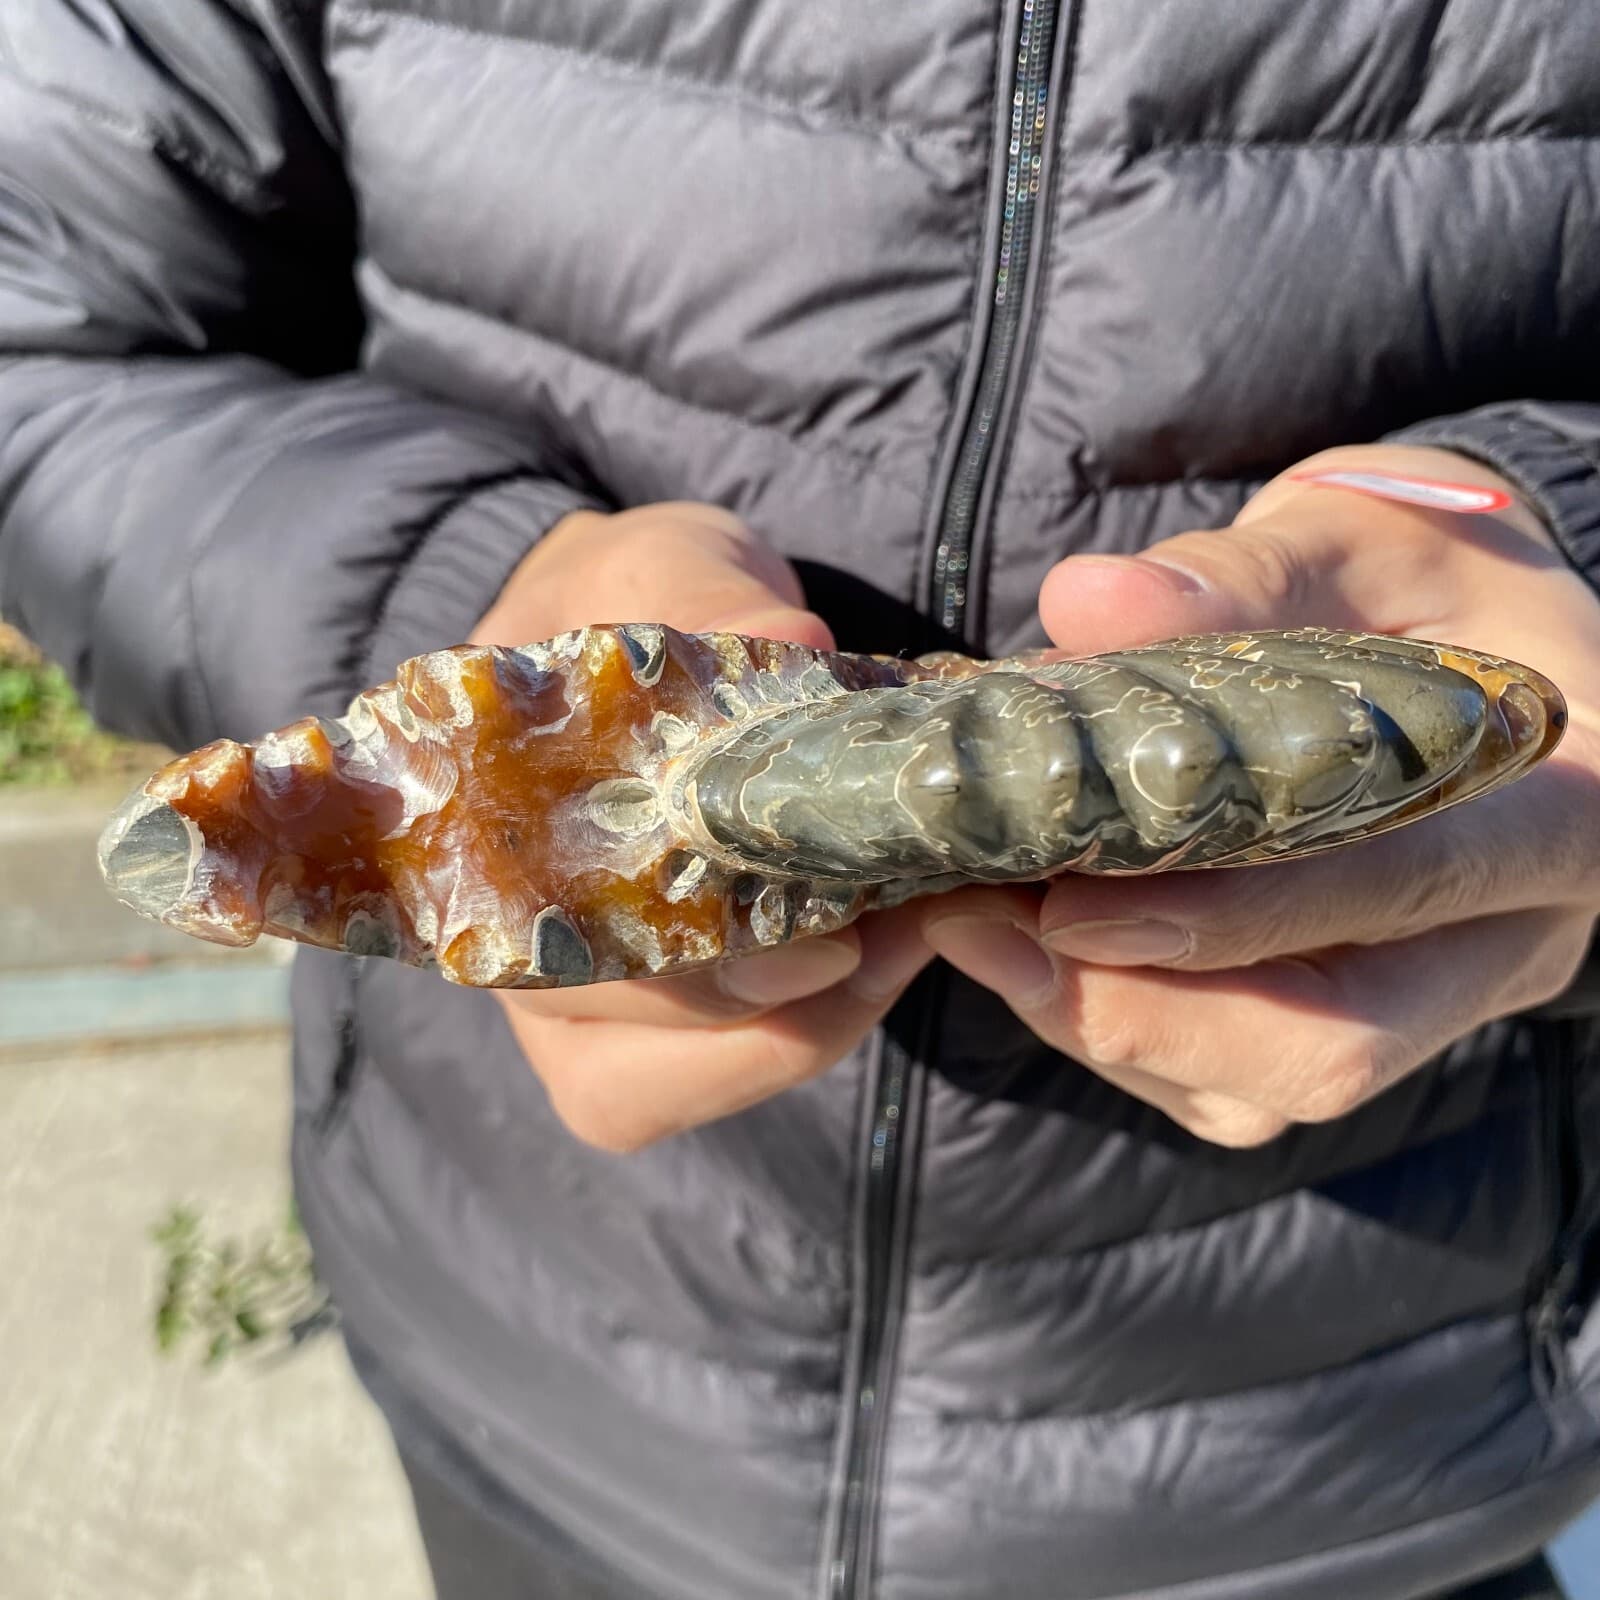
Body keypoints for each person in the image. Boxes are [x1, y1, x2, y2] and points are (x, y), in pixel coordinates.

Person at [2, 3, 1597, 1596]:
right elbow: (42, 335)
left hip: (1375, 1457)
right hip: (545, 1373)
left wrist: (1563, 545)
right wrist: (466, 592)